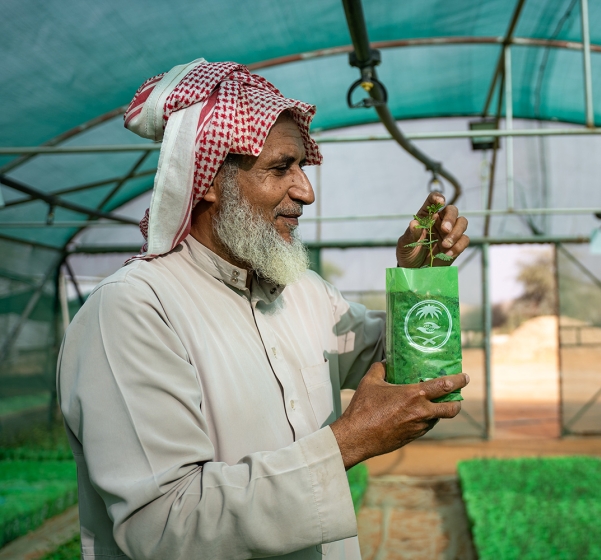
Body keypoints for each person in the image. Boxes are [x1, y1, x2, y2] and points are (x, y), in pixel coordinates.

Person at [57, 59, 470, 560]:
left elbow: (404, 367)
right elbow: (164, 526)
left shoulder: (305, 293)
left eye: (301, 167)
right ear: (207, 179)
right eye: (280, 168)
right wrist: (348, 442)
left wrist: (418, 280)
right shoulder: (133, 310)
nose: (306, 191)